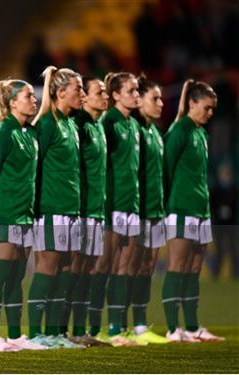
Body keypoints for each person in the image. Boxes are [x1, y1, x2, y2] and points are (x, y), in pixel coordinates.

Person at [0, 79, 46, 352]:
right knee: (0, 274)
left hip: (25, 214)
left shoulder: (30, 134)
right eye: (28, 96)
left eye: (34, 96)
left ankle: (15, 334)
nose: (34, 100)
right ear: (12, 104)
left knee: (18, 275)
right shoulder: (2, 135)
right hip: (5, 214)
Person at [162, 79, 224, 343]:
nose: (210, 113)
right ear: (192, 103)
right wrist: (163, 207)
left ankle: (192, 326)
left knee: (194, 268)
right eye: (207, 108)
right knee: (177, 265)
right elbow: (165, 170)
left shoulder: (200, 132)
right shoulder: (180, 131)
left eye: (213, 109)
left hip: (201, 209)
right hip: (181, 208)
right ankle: (172, 328)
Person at [28, 66, 85, 349]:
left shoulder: (70, 123)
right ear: (61, 92)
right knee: (47, 268)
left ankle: (55, 332)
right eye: (78, 89)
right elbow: (34, 169)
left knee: (65, 268)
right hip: (51, 209)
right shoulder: (47, 124)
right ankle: (35, 333)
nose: (83, 95)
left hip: (70, 209)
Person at [90, 72, 140, 346]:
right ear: (117, 94)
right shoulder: (107, 121)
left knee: (125, 268)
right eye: (130, 90)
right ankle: (95, 327)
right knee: (103, 267)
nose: (136, 94)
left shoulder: (131, 123)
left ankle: (117, 326)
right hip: (112, 206)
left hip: (129, 204)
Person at [126, 74, 170, 344]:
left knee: (146, 267)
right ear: (138, 100)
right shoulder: (133, 129)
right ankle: (119, 324)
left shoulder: (154, 132)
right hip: (135, 210)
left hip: (155, 211)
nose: (161, 103)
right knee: (127, 268)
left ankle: (140, 325)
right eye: (155, 98)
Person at [69, 77, 110, 346]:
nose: (103, 95)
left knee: (87, 269)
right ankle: (60, 329)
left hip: (96, 208)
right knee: (73, 269)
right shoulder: (81, 124)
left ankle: (80, 329)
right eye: (99, 91)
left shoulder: (97, 126)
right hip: (80, 208)